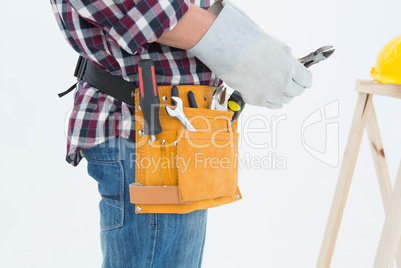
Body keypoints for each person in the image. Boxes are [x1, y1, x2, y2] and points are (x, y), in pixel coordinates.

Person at [50, 0, 312, 267]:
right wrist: (248, 51)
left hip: (187, 131)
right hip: (141, 133)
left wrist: (248, 50)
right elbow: (150, 13)